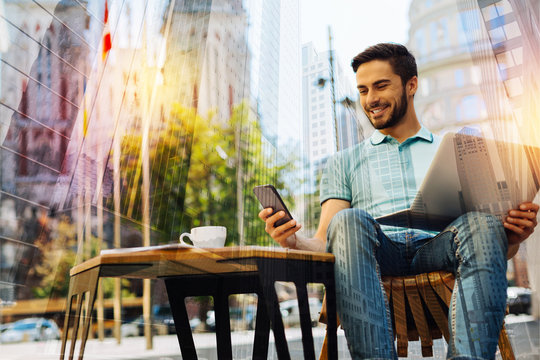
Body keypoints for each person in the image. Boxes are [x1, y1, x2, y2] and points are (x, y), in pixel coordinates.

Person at [259, 43, 539, 359]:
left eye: (381, 86)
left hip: (441, 249)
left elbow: (481, 243)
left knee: (484, 222)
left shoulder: (454, 149)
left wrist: (513, 237)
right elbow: (327, 241)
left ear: (411, 85)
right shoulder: (343, 162)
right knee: (347, 220)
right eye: (363, 90)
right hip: (378, 253)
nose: (370, 99)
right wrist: (294, 241)